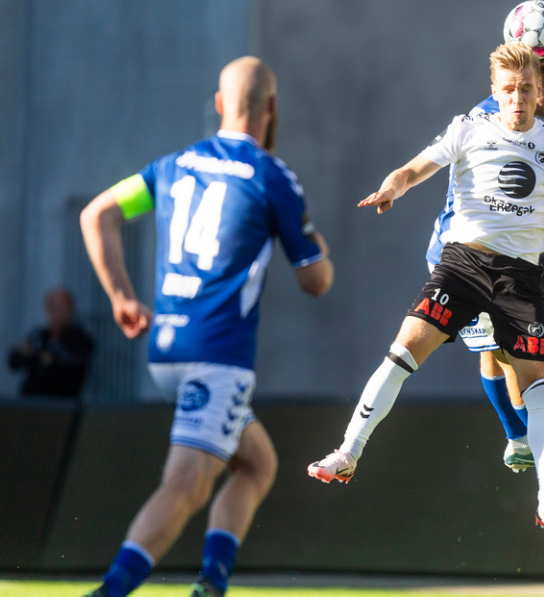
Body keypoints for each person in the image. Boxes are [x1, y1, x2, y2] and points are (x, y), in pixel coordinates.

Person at [309, 41, 544, 543]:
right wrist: (392, 188)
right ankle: (348, 452)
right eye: (508, 90)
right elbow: (414, 169)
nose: (517, 99)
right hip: (462, 265)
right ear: (494, 90)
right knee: (402, 352)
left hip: (520, 278)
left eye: (527, 89)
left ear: (537, 91)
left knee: (538, 387)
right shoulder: (468, 127)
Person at [79, 56, 333, 597]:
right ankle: (110, 591)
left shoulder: (172, 167)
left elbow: (97, 214)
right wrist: (317, 246)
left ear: (219, 104)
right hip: (217, 357)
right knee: (187, 485)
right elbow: (315, 280)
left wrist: (123, 297)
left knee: (257, 462)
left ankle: (212, 584)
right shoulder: (273, 177)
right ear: (271, 107)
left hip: (166, 347)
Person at [427, 39, 544, 492]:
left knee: (498, 352)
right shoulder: (490, 113)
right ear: (540, 80)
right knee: (516, 358)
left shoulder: (527, 124)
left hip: (489, 255)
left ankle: (517, 438)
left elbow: (518, 181)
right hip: (462, 254)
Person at [7, 288, 94, 399]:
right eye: (53, 307)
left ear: (71, 310)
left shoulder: (80, 340)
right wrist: (41, 358)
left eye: (61, 307)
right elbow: (14, 361)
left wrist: (35, 357)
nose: (56, 312)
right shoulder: (39, 335)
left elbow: (59, 368)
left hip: (61, 405)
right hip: (30, 402)